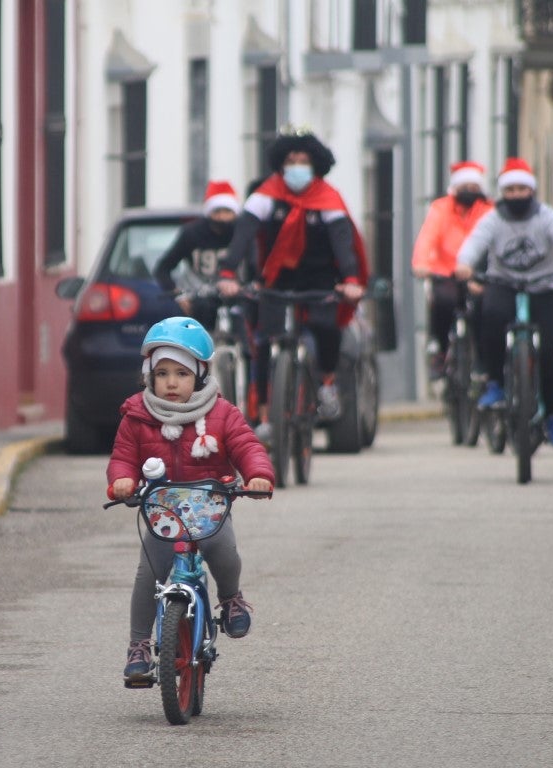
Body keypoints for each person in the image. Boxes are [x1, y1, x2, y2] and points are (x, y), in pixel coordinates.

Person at [107, 317, 274, 683]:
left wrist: (258, 474)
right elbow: (123, 456)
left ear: (199, 375)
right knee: (149, 570)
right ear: (149, 375)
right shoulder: (138, 416)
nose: (171, 382)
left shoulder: (221, 413)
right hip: (162, 509)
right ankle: (138, 645)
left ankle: (230, 599)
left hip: (209, 504)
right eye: (162, 373)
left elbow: (247, 446)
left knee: (222, 549)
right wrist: (122, 480)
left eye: (181, 373)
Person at [220, 129, 368, 435]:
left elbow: (343, 241)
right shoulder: (266, 194)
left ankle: (326, 383)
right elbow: (244, 233)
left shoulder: (328, 198)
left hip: (320, 279)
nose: (297, 166)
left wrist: (351, 279)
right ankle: (264, 412)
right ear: (280, 164)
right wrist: (227, 272)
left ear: (315, 165)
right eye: (291, 160)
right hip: (277, 279)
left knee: (327, 328)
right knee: (263, 342)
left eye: (303, 160)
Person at [454, 157, 553, 448]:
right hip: (502, 284)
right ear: (502, 193)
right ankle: (494, 384)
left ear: (532, 190)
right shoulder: (492, 218)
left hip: (543, 286)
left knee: (546, 354)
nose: (516, 194)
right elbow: (474, 243)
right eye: (510, 189)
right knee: (490, 317)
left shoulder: (546, 216)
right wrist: (464, 264)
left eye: (522, 189)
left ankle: (552, 415)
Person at [411, 161, 494, 379]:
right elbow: (427, 237)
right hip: (445, 273)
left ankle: (483, 361)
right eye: (463, 187)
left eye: (473, 187)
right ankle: (440, 350)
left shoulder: (490, 210)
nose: (469, 192)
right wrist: (421, 263)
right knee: (442, 302)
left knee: (483, 310)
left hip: (478, 274)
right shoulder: (441, 208)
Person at [152, 180, 244, 329]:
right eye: (217, 212)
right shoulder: (192, 234)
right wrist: (179, 295)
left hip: (237, 298)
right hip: (201, 299)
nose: (222, 218)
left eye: (228, 212)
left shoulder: (243, 233)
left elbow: (257, 265)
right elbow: (163, 268)